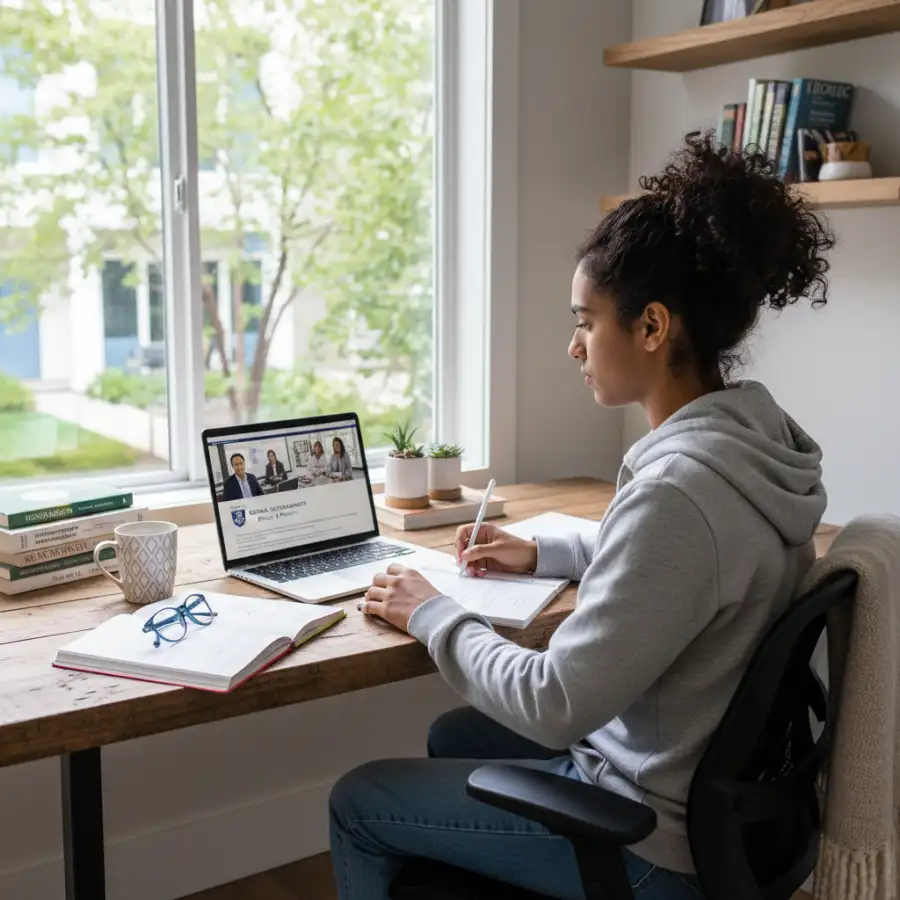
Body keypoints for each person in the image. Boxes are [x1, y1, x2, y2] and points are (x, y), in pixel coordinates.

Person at [328, 132, 835, 900]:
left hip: (649, 837)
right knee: (453, 736)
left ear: (653, 327)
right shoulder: (750, 445)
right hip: (712, 799)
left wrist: (433, 614)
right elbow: (687, 565)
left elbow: (555, 702)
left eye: (585, 321)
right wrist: (544, 552)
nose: (573, 346)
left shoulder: (678, 493)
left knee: (358, 801)